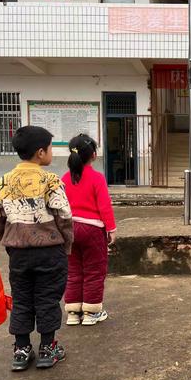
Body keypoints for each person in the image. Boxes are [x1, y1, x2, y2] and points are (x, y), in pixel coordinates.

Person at [0, 126, 73, 371]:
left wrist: (9, 236)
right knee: (47, 298)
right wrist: (66, 245)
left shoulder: (4, 181)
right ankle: (48, 348)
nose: (50, 152)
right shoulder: (50, 180)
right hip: (50, 251)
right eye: (49, 148)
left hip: (19, 253)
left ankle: (21, 350)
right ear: (40, 152)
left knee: (22, 298)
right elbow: (64, 216)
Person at [62, 134, 116, 326]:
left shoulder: (65, 179)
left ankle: (73, 313)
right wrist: (111, 229)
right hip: (92, 230)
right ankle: (91, 312)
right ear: (93, 154)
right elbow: (104, 206)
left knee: (73, 271)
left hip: (69, 229)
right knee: (94, 270)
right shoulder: (97, 178)